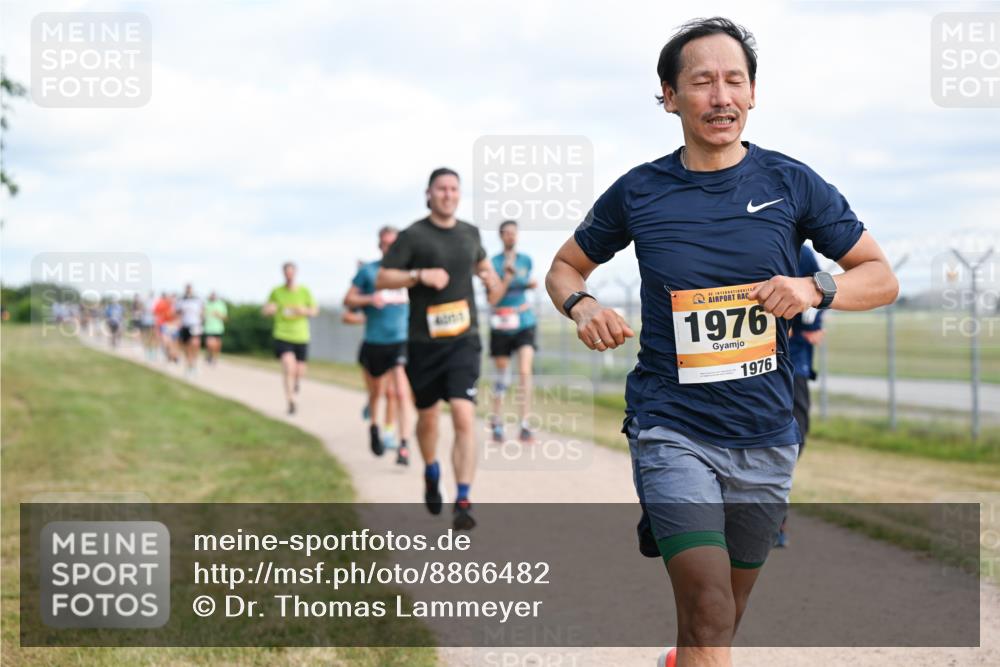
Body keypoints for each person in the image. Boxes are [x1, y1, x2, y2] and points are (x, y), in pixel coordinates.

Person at [543, 17, 899, 666]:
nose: (721, 96)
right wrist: (582, 302)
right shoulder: (639, 190)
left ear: (754, 93)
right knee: (708, 607)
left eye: (735, 80)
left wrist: (815, 287)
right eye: (702, 82)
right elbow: (564, 267)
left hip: (766, 432)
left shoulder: (792, 183)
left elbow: (880, 276)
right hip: (671, 424)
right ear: (670, 96)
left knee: (720, 618)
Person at [377, 167, 503, 530]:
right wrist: (419, 276)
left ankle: (463, 498)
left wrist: (491, 276)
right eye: (441, 189)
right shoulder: (413, 236)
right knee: (428, 417)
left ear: (459, 194)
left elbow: (485, 272)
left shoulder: (469, 234)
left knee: (464, 415)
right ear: (429, 194)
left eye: (453, 189)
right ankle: (432, 470)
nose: (448, 194)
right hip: (423, 344)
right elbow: (384, 277)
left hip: (464, 340)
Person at [343, 226, 412, 466]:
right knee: (377, 393)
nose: (389, 248)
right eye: (385, 244)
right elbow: (348, 300)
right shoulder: (369, 271)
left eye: (394, 244)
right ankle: (374, 427)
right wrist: (370, 299)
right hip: (375, 342)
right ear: (379, 245)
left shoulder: (408, 273)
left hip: (401, 340)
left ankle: (404, 444)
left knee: (401, 392)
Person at [775, 244, 825, 548]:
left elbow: (821, 290)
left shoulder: (802, 254)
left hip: (794, 366)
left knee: (794, 441)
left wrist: (810, 323)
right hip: (752, 369)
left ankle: (771, 516)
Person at [487, 220, 539, 444]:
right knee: (502, 376)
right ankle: (497, 422)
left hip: (524, 321)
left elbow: (529, 281)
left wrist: (528, 285)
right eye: (506, 233)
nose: (510, 237)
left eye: (514, 233)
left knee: (525, 372)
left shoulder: (526, 260)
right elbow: (493, 298)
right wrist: (507, 278)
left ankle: (525, 425)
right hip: (501, 323)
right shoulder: (492, 263)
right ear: (501, 236)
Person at [262, 262, 318, 415]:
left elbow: (314, 311)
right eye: (286, 273)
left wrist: (303, 310)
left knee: (299, 370)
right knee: (288, 366)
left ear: (295, 273)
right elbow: (265, 309)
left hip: (301, 335)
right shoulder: (276, 291)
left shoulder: (304, 291)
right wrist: (269, 309)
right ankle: (291, 400)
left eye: (291, 273)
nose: (289, 276)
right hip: (282, 334)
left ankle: (296, 382)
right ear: (283, 274)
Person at [177, 284, 204, 376]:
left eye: (190, 289)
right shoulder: (181, 300)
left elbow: (202, 312)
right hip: (185, 325)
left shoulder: (197, 300)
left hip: (195, 325)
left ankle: (194, 365)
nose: (188, 290)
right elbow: (178, 313)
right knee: (187, 347)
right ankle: (189, 365)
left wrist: (201, 322)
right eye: (187, 289)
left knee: (195, 344)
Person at [203, 291, 228, 365]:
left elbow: (225, 318)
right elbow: (202, 315)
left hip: (218, 328)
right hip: (208, 327)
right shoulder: (206, 304)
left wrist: (218, 314)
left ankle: (214, 358)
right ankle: (210, 355)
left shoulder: (221, 304)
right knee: (209, 343)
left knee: (217, 345)